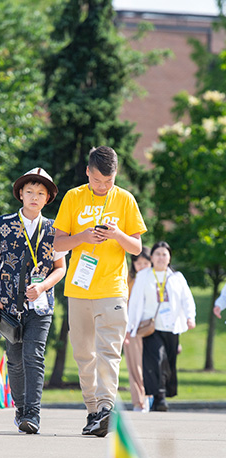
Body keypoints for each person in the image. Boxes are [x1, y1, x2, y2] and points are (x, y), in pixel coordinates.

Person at [51, 146, 145, 437]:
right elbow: (58, 244)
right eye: (98, 180)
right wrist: (83, 237)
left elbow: (137, 248)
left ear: (116, 174)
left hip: (113, 289)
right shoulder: (74, 197)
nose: (103, 186)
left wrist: (117, 235)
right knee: (84, 354)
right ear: (88, 172)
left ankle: (106, 408)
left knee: (109, 352)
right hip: (79, 290)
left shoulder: (125, 199)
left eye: (109, 180)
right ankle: (92, 411)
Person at [0, 168, 67, 434]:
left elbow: (60, 268)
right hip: (8, 306)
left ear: (47, 199)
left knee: (34, 355)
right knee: (15, 359)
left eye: (40, 193)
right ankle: (20, 408)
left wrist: (42, 286)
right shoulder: (4, 224)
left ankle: (33, 414)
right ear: (20, 194)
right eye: (29, 191)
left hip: (41, 306)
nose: (34, 196)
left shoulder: (55, 229)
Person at [126, 242, 196, 412]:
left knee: (168, 363)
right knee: (155, 361)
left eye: (164, 254)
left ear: (169, 257)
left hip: (171, 327)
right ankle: (160, 396)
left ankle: (161, 395)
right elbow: (134, 302)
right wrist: (130, 326)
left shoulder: (176, 277)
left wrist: (190, 317)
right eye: (157, 254)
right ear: (152, 257)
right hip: (151, 327)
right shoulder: (144, 276)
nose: (160, 257)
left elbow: (187, 298)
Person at [124, 247, 152, 411]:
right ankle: (138, 401)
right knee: (134, 365)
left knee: (149, 365)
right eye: (138, 263)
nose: (141, 266)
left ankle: (149, 396)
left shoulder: (156, 280)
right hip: (131, 327)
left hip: (150, 326)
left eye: (145, 263)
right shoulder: (128, 279)